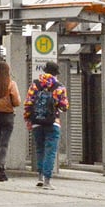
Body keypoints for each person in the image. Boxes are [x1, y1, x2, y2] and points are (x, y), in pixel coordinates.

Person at [24, 61, 69, 190]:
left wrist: (28, 120)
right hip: (52, 123)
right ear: (56, 73)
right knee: (50, 151)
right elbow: (64, 106)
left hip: (36, 122)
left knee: (39, 149)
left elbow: (28, 103)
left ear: (44, 71)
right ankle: (47, 181)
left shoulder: (35, 85)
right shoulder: (59, 87)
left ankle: (39, 177)